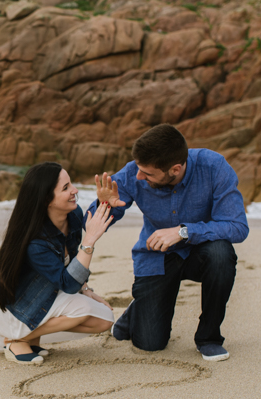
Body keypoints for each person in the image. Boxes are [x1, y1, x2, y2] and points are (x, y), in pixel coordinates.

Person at [87, 124, 249, 362]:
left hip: (199, 253)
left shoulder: (213, 167)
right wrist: (105, 205)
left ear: (175, 169)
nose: (139, 177)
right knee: (150, 344)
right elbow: (88, 224)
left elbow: (237, 227)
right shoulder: (136, 170)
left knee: (221, 253)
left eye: (148, 174)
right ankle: (134, 314)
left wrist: (184, 232)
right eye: (139, 170)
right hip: (156, 257)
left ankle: (209, 338)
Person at [0, 162, 115, 364]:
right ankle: (16, 338)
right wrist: (89, 242)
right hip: (18, 306)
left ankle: (28, 337)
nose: (75, 190)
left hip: (49, 292)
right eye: (65, 188)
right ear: (46, 200)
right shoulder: (36, 242)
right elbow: (68, 283)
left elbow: (74, 259)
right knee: (84, 310)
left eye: (71, 184)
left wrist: (86, 289)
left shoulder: (73, 215)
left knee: (105, 319)